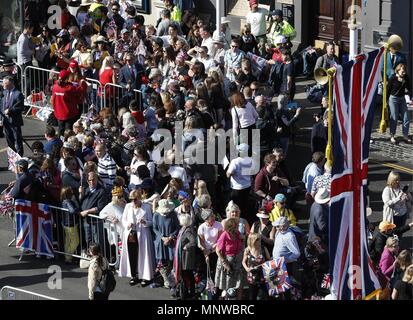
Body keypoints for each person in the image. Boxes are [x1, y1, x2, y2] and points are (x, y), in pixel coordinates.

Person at [119, 189, 155, 286]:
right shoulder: (128, 206)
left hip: (142, 234)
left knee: (143, 255)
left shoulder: (147, 207)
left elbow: (151, 222)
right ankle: (133, 275)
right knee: (132, 254)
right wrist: (127, 224)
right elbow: (123, 219)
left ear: (139, 198)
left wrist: (145, 222)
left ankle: (145, 276)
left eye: (135, 199)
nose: (133, 201)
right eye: (131, 199)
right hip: (131, 234)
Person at [152, 199, 180, 289]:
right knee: (162, 262)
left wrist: (170, 237)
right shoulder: (156, 215)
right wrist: (162, 237)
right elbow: (154, 228)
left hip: (171, 241)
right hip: (161, 241)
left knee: (171, 261)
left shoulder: (173, 214)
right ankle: (165, 280)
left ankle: (171, 279)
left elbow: (177, 227)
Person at [51, 70, 87, 137]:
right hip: (68, 113)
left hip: (58, 112)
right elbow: (81, 90)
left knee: (60, 129)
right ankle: (67, 144)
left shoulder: (55, 87)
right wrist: (83, 82)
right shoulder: (70, 88)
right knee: (68, 131)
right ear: (67, 78)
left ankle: (60, 143)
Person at [215, 217, 244, 299]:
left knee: (237, 285)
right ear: (230, 227)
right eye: (235, 226)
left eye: (237, 226)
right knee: (227, 286)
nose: (237, 227)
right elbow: (218, 251)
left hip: (237, 262)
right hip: (227, 263)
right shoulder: (224, 235)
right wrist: (225, 264)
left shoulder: (237, 233)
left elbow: (242, 241)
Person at [80, 171, 109, 249]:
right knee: (88, 240)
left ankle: (100, 259)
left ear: (97, 179)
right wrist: (80, 194)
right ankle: (91, 258)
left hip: (96, 222)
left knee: (98, 242)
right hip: (86, 221)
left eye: (93, 179)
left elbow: (100, 207)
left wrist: (87, 211)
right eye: (90, 180)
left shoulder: (102, 191)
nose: (92, 182)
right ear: (87, 181)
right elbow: (80, 202)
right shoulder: (85, 190)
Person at [226, 143, 255, 222]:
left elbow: (228, 174)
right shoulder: (251, 160)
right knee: (244, 206)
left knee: (235, 207)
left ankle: (236, 221)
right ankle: (244, 221)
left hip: (236, 188)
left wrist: (231, 173)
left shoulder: (235, 161)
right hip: (247, 186)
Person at [197, 208, 223, 293]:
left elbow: (220, 240)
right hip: (206, 252)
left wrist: (211, 249)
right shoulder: (201, 227)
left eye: (213, 216)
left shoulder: (219, 225)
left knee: (216, 271)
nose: (213, 218)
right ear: (206, 219)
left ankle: (217, 290)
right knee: (206, 271)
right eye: (211, 217)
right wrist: (206, 255)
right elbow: (202, 243)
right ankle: (208, 291)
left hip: (216, 251)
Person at [173, 213, 197, 299]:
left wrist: (186, 246)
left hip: (186, 258)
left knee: (187, 275)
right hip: (183, 257)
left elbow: (193, 241)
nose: (179, 220)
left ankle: (188, 293)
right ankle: (185, 292)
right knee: (186, 275)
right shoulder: (183, 229)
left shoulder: (187, 231)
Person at [99, 186, 125, 260]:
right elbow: (101, 214)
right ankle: (118, 266)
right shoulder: (110, 205)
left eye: (121, 196)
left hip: (124, 229)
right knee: (119, 249)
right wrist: (111, 219)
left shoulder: (124, 203)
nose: (121, 198)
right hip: (117, 231)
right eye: (119, 197)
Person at [387, 63, 411, 144]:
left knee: (406, 117)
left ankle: (405, 135)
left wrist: (404, 80)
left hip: (402, 99)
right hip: (393, 99)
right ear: (398, 70)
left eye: (404, 71)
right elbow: (388, 90)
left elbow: (409, 87)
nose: (404, 73)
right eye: (402, 71)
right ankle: (392, 135)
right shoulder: (393, 78)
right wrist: (385, 103)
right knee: (394, 117)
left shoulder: (406, 77)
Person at [1, 76, 25, 156]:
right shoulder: (4, 92)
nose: (2, 85)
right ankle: (11, 158)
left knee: (17, 141)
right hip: (6, 121)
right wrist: (1, 118)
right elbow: (2, 106)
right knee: (9, 141)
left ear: (10, 83)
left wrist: (10, 110)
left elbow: (21, 107)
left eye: (4, 83)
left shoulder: (18, 94)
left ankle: (19, 159)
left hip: (14, 121)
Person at [242, 232, 270, 300]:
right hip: (252, 277)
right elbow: (243, 262)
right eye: (258, 239)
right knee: (252, 296)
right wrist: (246, 268)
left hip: (263, 276)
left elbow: (269, 260)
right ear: (253, 241)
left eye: (260, 239)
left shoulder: (264, 248)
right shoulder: (247, 250)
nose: (260, 241)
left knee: (267, 296)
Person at [61, 186, 81, 264]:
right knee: (75, 241)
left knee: (68, 241)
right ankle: (68, 256)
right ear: (68, 193)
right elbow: (72, 210)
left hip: (67, 223)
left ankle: (68, 257)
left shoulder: (63, 201)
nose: (73, 192)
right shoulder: (68, 201)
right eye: (71, 191)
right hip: (70, 224)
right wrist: (78, 208)